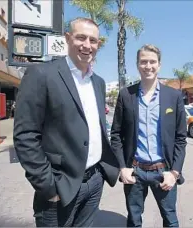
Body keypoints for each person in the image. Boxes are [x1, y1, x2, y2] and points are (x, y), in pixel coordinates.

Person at [13, 17, 119, 227]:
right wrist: (49, 187)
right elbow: (25, 136)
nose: (87, 45)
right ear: (68, 38)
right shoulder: (41, 74)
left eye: (93, 40)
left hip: (95, 181)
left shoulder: (98, 82)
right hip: (60, 187)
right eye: (81, 38)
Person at [111, 44, 187, 227]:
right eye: (143, 62)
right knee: (134, 220)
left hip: (164, 171)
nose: (148, 66)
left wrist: (174, 173)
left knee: (170, 220)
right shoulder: (126, 95)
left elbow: (180, 138)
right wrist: (122, 168)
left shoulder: (173, 96)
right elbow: (115, 135)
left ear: (159, 65)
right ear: (138, 65)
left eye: (152, 62)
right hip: (134, 171)